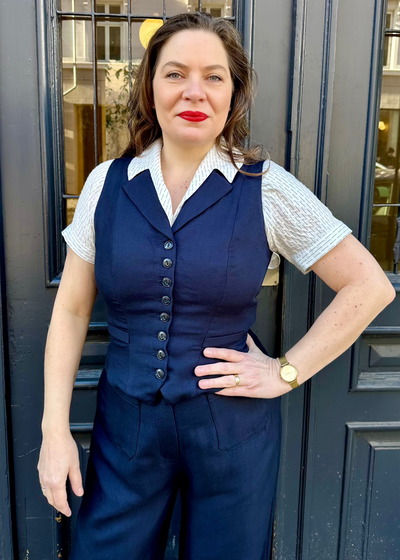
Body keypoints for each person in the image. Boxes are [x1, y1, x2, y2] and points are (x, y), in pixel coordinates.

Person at [37, 11, 395, 560]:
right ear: (150, 87)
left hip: (233, 433)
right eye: (175, 74)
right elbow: (70, 310)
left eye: (213, 76)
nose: (194, 91)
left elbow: (369, 285)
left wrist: (284, 371)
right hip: (125, 432)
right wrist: (54, 431)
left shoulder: (266, 188)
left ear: (233, 94)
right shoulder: (105, 184)